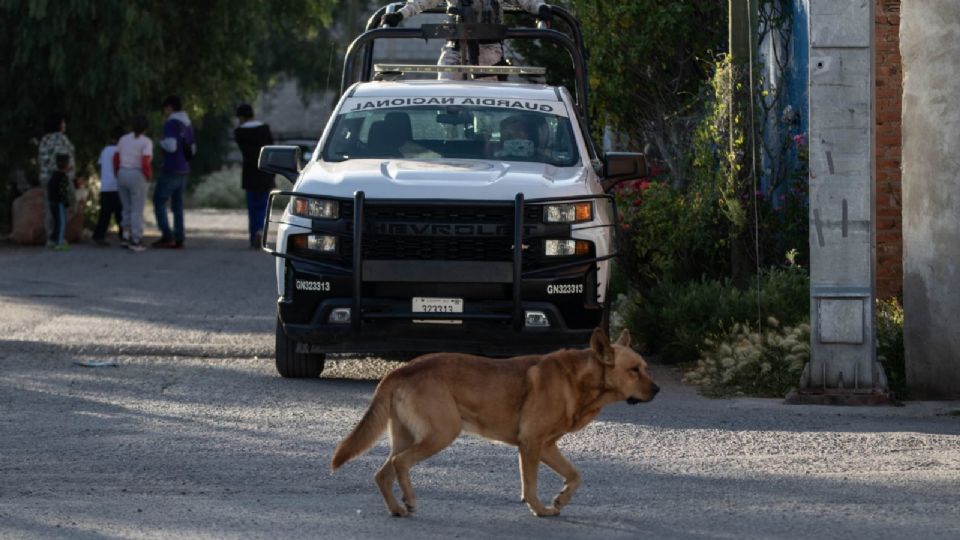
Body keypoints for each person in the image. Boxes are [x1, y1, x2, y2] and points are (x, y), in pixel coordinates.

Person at [383, 0, 552, 80]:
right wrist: (399, 15)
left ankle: (485, 141)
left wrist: (541, 8)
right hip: (456, 48)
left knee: (487, 100)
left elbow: (526, 1)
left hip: (489, 49)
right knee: (446, 94)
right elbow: (421, 2)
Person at [154, 95, 195, 249]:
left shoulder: (171, 123)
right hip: (184, 168)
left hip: (171, 167)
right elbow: (193, 149)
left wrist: (160, 142)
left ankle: (167, 234)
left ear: (169, 107)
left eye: (165, 109)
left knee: (159, 200)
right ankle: (179, 236)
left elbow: (171, 146)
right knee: (178, 204)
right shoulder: (188, 124)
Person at [233, 104, 275, 248]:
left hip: (249, 173)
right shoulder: (265, 129)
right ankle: (260, 230)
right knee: (263, 205)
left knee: (252, 206)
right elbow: (271, 149)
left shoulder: (239, 132)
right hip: (264, 172)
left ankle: (253, 235)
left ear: (242, 117)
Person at [114, 115, 153, 252]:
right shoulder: (146, 142)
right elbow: (145, 161)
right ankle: (136, 239)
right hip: (137, 174)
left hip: (122, 173)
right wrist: (148, 176)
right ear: (146, 128)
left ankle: (125, 235)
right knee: (137, 208)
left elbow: (116, 158)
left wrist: (117, 173)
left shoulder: (123, 139)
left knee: (126, 207)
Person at [37, 113, 75, 241]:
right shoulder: (61, 138)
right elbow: (65, 156)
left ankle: (50, 236)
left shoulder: (44, 140)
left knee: (50, 206)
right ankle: (59, 236)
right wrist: (70, 171)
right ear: (58, 124)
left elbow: (41, 159)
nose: (64, 125)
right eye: (63, 122)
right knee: (64, 206)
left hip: (46, 177)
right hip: (61, 177)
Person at [92, 127, 125, 246]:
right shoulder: (121, 151)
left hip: (106, 186)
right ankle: (123, 236)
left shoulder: (105, 150)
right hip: (117, 186)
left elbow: (100, 166)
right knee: (120, 213)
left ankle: (99, 235)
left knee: (104, 213)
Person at [46, 154, 73, 251]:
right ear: (66, 164)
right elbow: (63, 192)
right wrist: (67, 204)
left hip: (51, 201)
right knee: (61, 222)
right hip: (59, 203)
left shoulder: (53, 175)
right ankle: (59, 242)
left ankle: (52, 240)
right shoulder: (63, 177)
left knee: (56, 221)